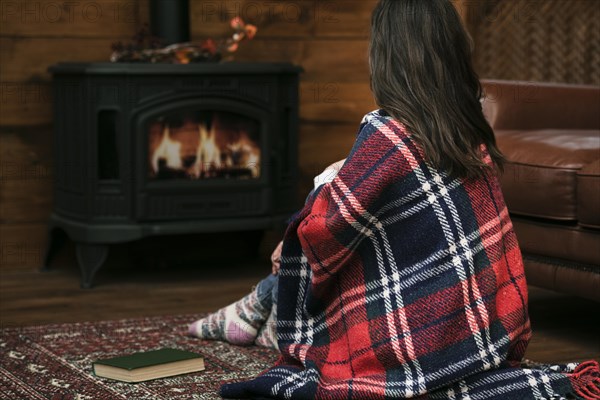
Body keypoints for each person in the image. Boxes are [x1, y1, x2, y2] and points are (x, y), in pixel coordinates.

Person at [190, 1, 600, 399]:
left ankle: (262, 303)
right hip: (479, 336)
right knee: (361, 220)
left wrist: (311, 207)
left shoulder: (386, 134)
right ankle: (260, 307)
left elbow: (323, 231)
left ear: (385, 55)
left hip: (404, 344)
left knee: (308, 240)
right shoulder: (467, 134)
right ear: (453, 50)